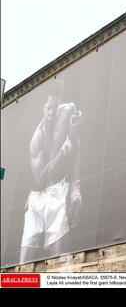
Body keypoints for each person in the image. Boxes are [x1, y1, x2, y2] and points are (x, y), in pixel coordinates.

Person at [20, 80, 83, 264]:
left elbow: (77, 147)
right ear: (42, 108)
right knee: (24, 261)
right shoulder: (36, 140)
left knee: (62, 258)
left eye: (54, 107)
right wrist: (67, 145)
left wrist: (76, 187)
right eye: (48, 108)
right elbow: (41, 178)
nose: (51, 112)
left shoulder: (67, 111)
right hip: (38, 195)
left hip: (58, 190)